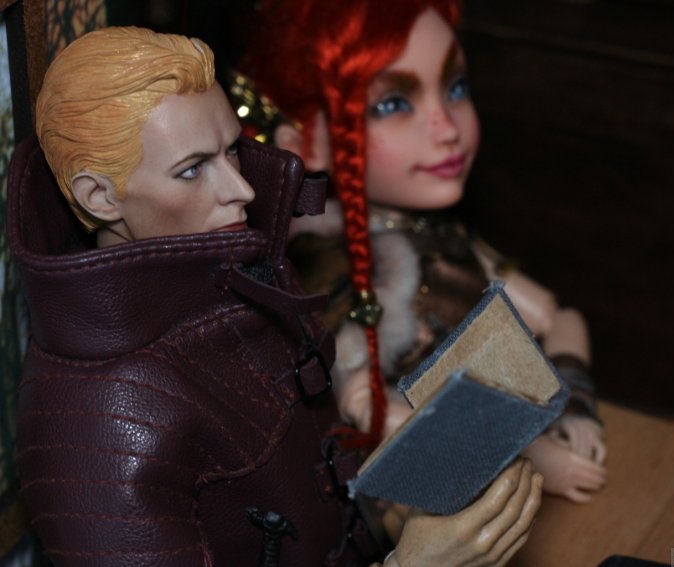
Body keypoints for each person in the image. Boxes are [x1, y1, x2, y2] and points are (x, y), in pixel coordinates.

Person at [8, 26, 541, 566]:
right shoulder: (103, 423)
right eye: (192, 170)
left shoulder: (243, 277)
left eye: (232, 151)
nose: (241, 190)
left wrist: (394, 511)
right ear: (100, 197)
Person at [240, 0, 607, 503]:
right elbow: (373, 411)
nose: (447, 128)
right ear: (305, 142)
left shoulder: (437, 236)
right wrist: (535, 456)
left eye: (455, 88)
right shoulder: (333, 271)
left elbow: (556, 316)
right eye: (392, 104)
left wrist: (573, 401)